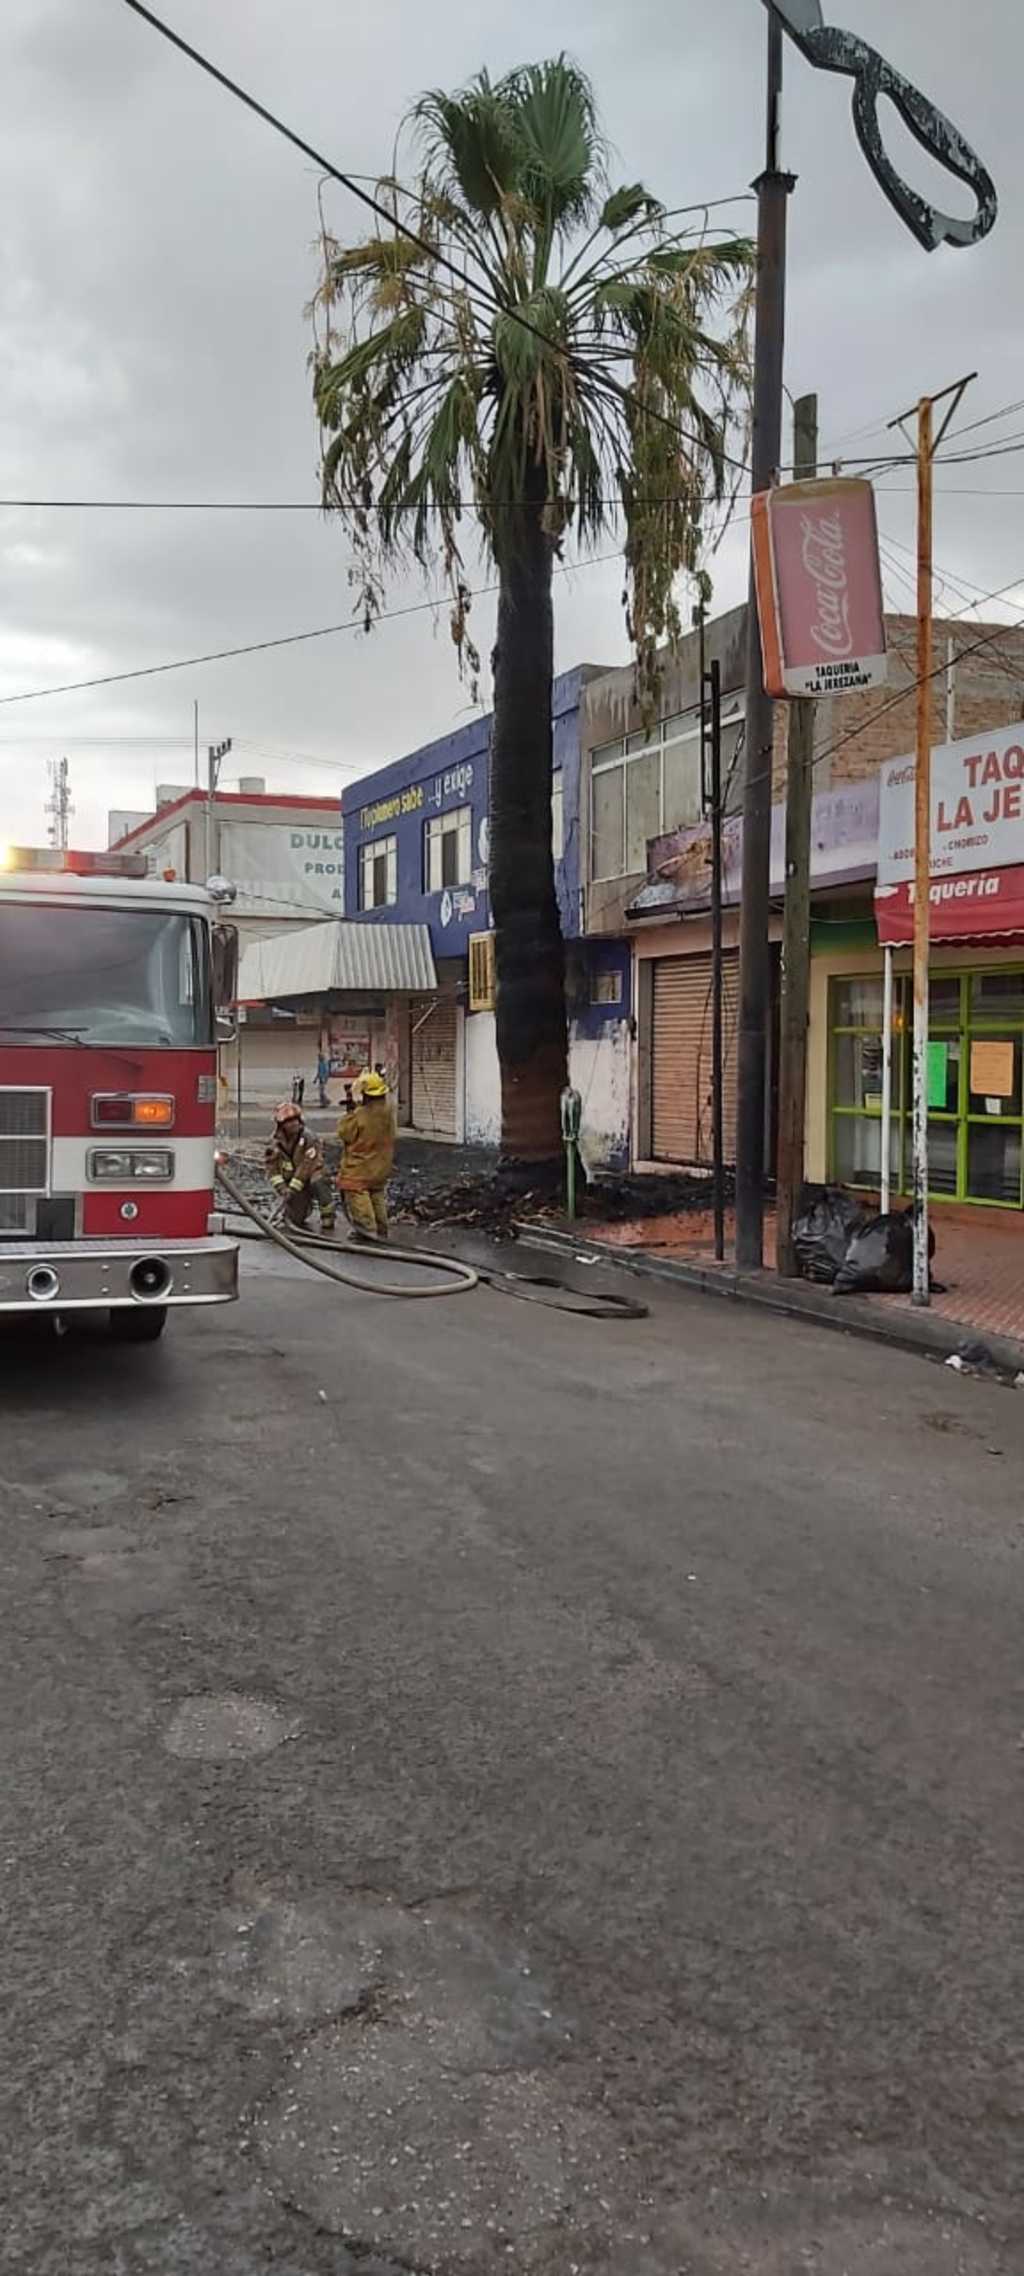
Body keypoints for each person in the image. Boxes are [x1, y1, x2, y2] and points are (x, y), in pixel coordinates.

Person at [336, 1068, 396, 1240]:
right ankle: (381, 1228)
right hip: (381, 1165)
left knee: (357, 1193)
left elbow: (345, 1134)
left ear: (366, 1094)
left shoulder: (360, 1115)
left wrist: (350, 1114)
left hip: (359, 1167)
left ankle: (366, 1231)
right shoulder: (388, 1112)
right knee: (376, 1193)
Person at [265, 1100, 336, 1234]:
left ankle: (328, 1215)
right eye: (289, 1121)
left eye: (296, 1119)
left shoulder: (309, 1138)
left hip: (310, 1176)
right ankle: (304, 1207)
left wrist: (292, 1188)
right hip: (293, 1183)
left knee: (318, 1181)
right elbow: (272, 1169)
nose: (294, 1123)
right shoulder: (275, 1143)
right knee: (296, 1219)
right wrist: (283, 1189)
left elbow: (306, 1166)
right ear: (281, 1125)